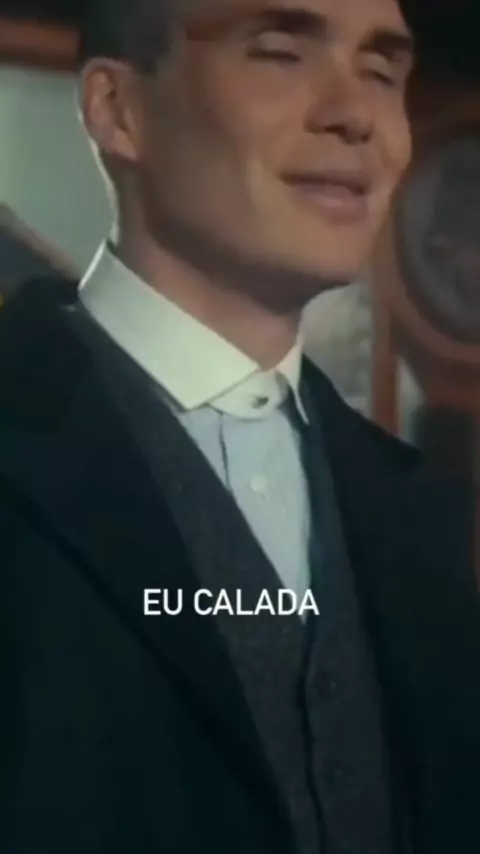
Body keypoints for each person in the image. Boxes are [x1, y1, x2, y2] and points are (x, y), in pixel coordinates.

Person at [1, 0, 479, 852]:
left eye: (381, 70)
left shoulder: (419, 509)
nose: (357, 116)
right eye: (280, 52)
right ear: (117, 109)